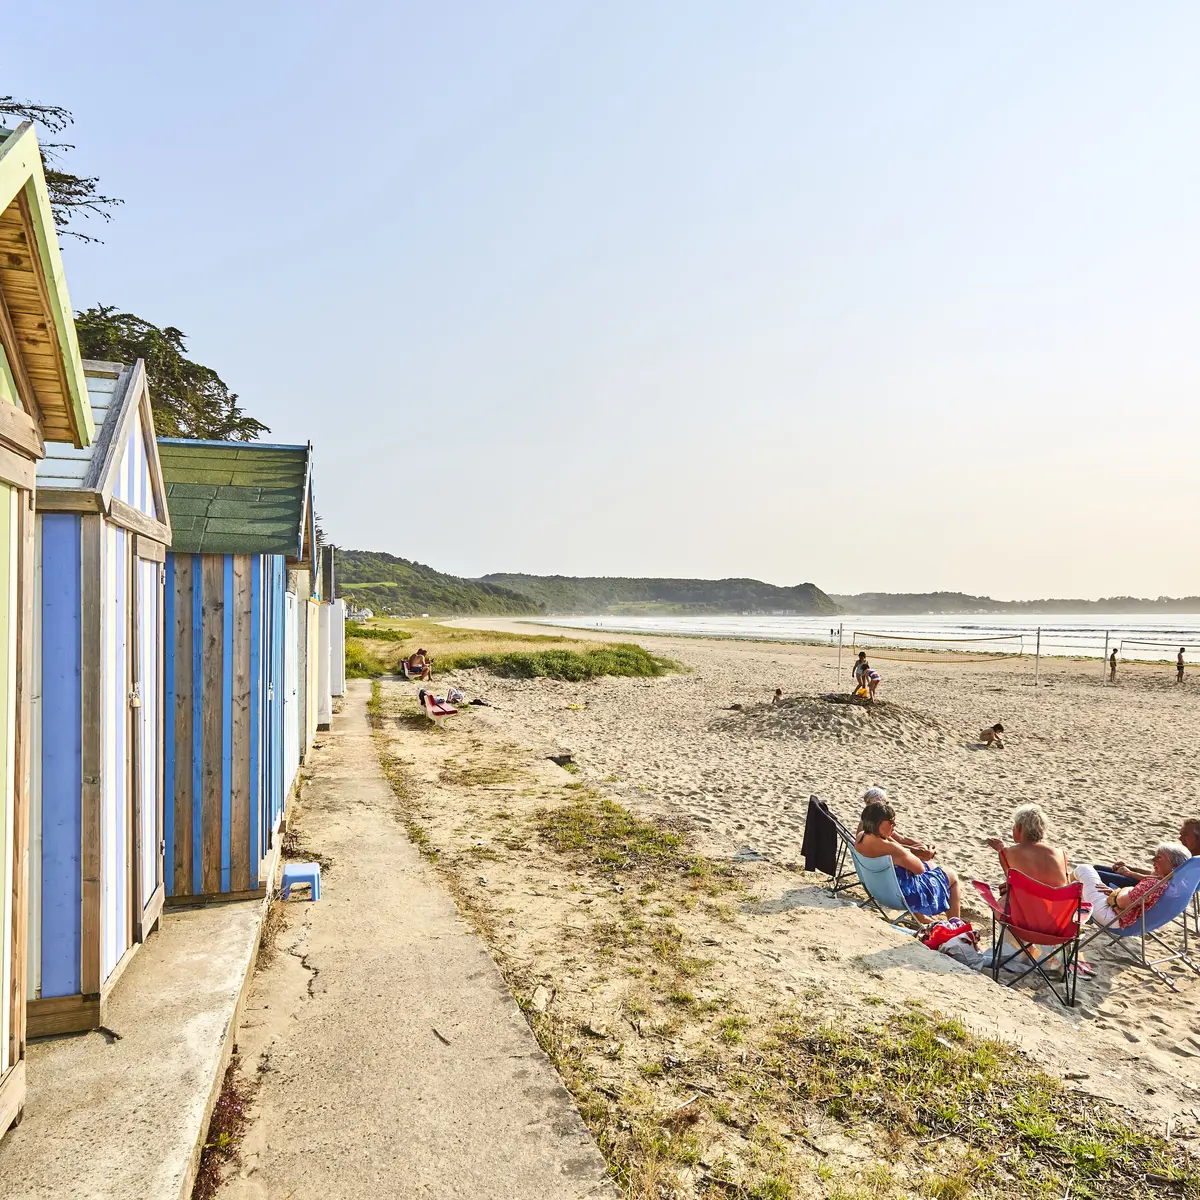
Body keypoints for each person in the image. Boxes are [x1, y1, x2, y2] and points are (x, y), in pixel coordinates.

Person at [856, 792, 961, 919]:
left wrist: (916, 851)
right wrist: (928, 853)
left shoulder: (860, 836)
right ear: (879, 824)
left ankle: (921, 917)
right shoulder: (892, 849)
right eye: (891, 822)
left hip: (877, 889)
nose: (894, 825)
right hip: (901, 896)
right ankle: (955, 924)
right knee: (952, 876)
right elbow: (919, 869)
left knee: (931, 865)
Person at [1074, 843, 1191, 929]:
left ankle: (1065, 906)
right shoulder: (1175, 885)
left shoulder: (1153, 884)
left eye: (1158, 857)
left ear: (1174, 866)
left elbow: (1120, 902)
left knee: (1084, 869)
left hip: (1113, 918)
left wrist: (1123, 890)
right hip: (1135, 922)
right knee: (1080, 883)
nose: (1153, 860)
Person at [986, 804, 1069, 888]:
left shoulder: (1006, 853)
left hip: (1026, 900)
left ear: (1019, 828)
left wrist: (1002, 849)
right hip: (1059, 900)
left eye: (1014, 825)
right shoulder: (1061, 854)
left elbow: (1014, 883)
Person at [1099, 818, 1200, 886]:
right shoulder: (1188, 858)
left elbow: (1163, 882)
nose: (1180, 838)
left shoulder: (1194, 864)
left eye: (1185, 835)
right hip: (1146, 885)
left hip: (1146, 893)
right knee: (1095, 868)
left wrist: (1130, 873)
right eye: (1180, 834)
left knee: (1096, 875)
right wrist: (1132, 869)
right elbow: (1158, 875)